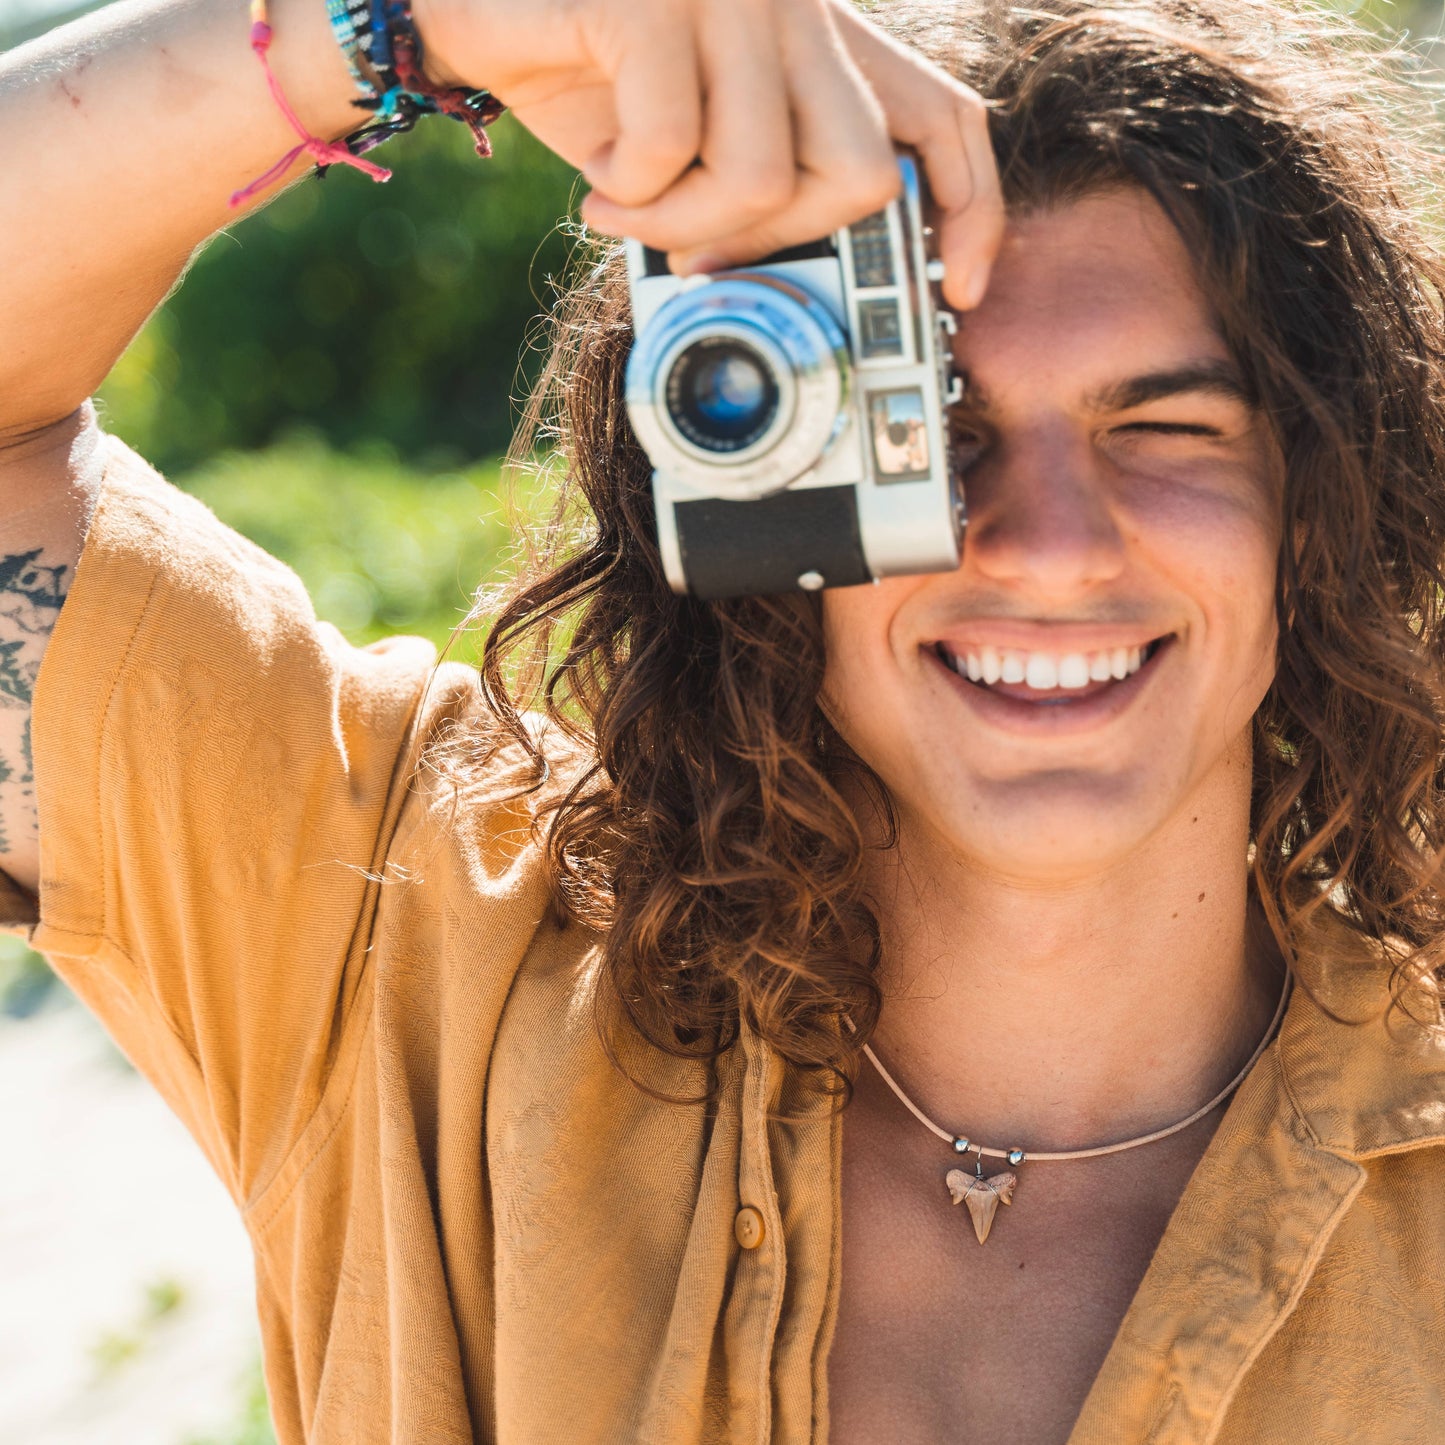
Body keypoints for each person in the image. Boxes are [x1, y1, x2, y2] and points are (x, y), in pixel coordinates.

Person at [4, 0, 1445, 1440]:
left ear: (1320, 501)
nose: (1053, 547)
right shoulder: (413, 942)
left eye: (1165, 427)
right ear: (744, 484)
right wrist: (401, 25)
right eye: (930, 434)